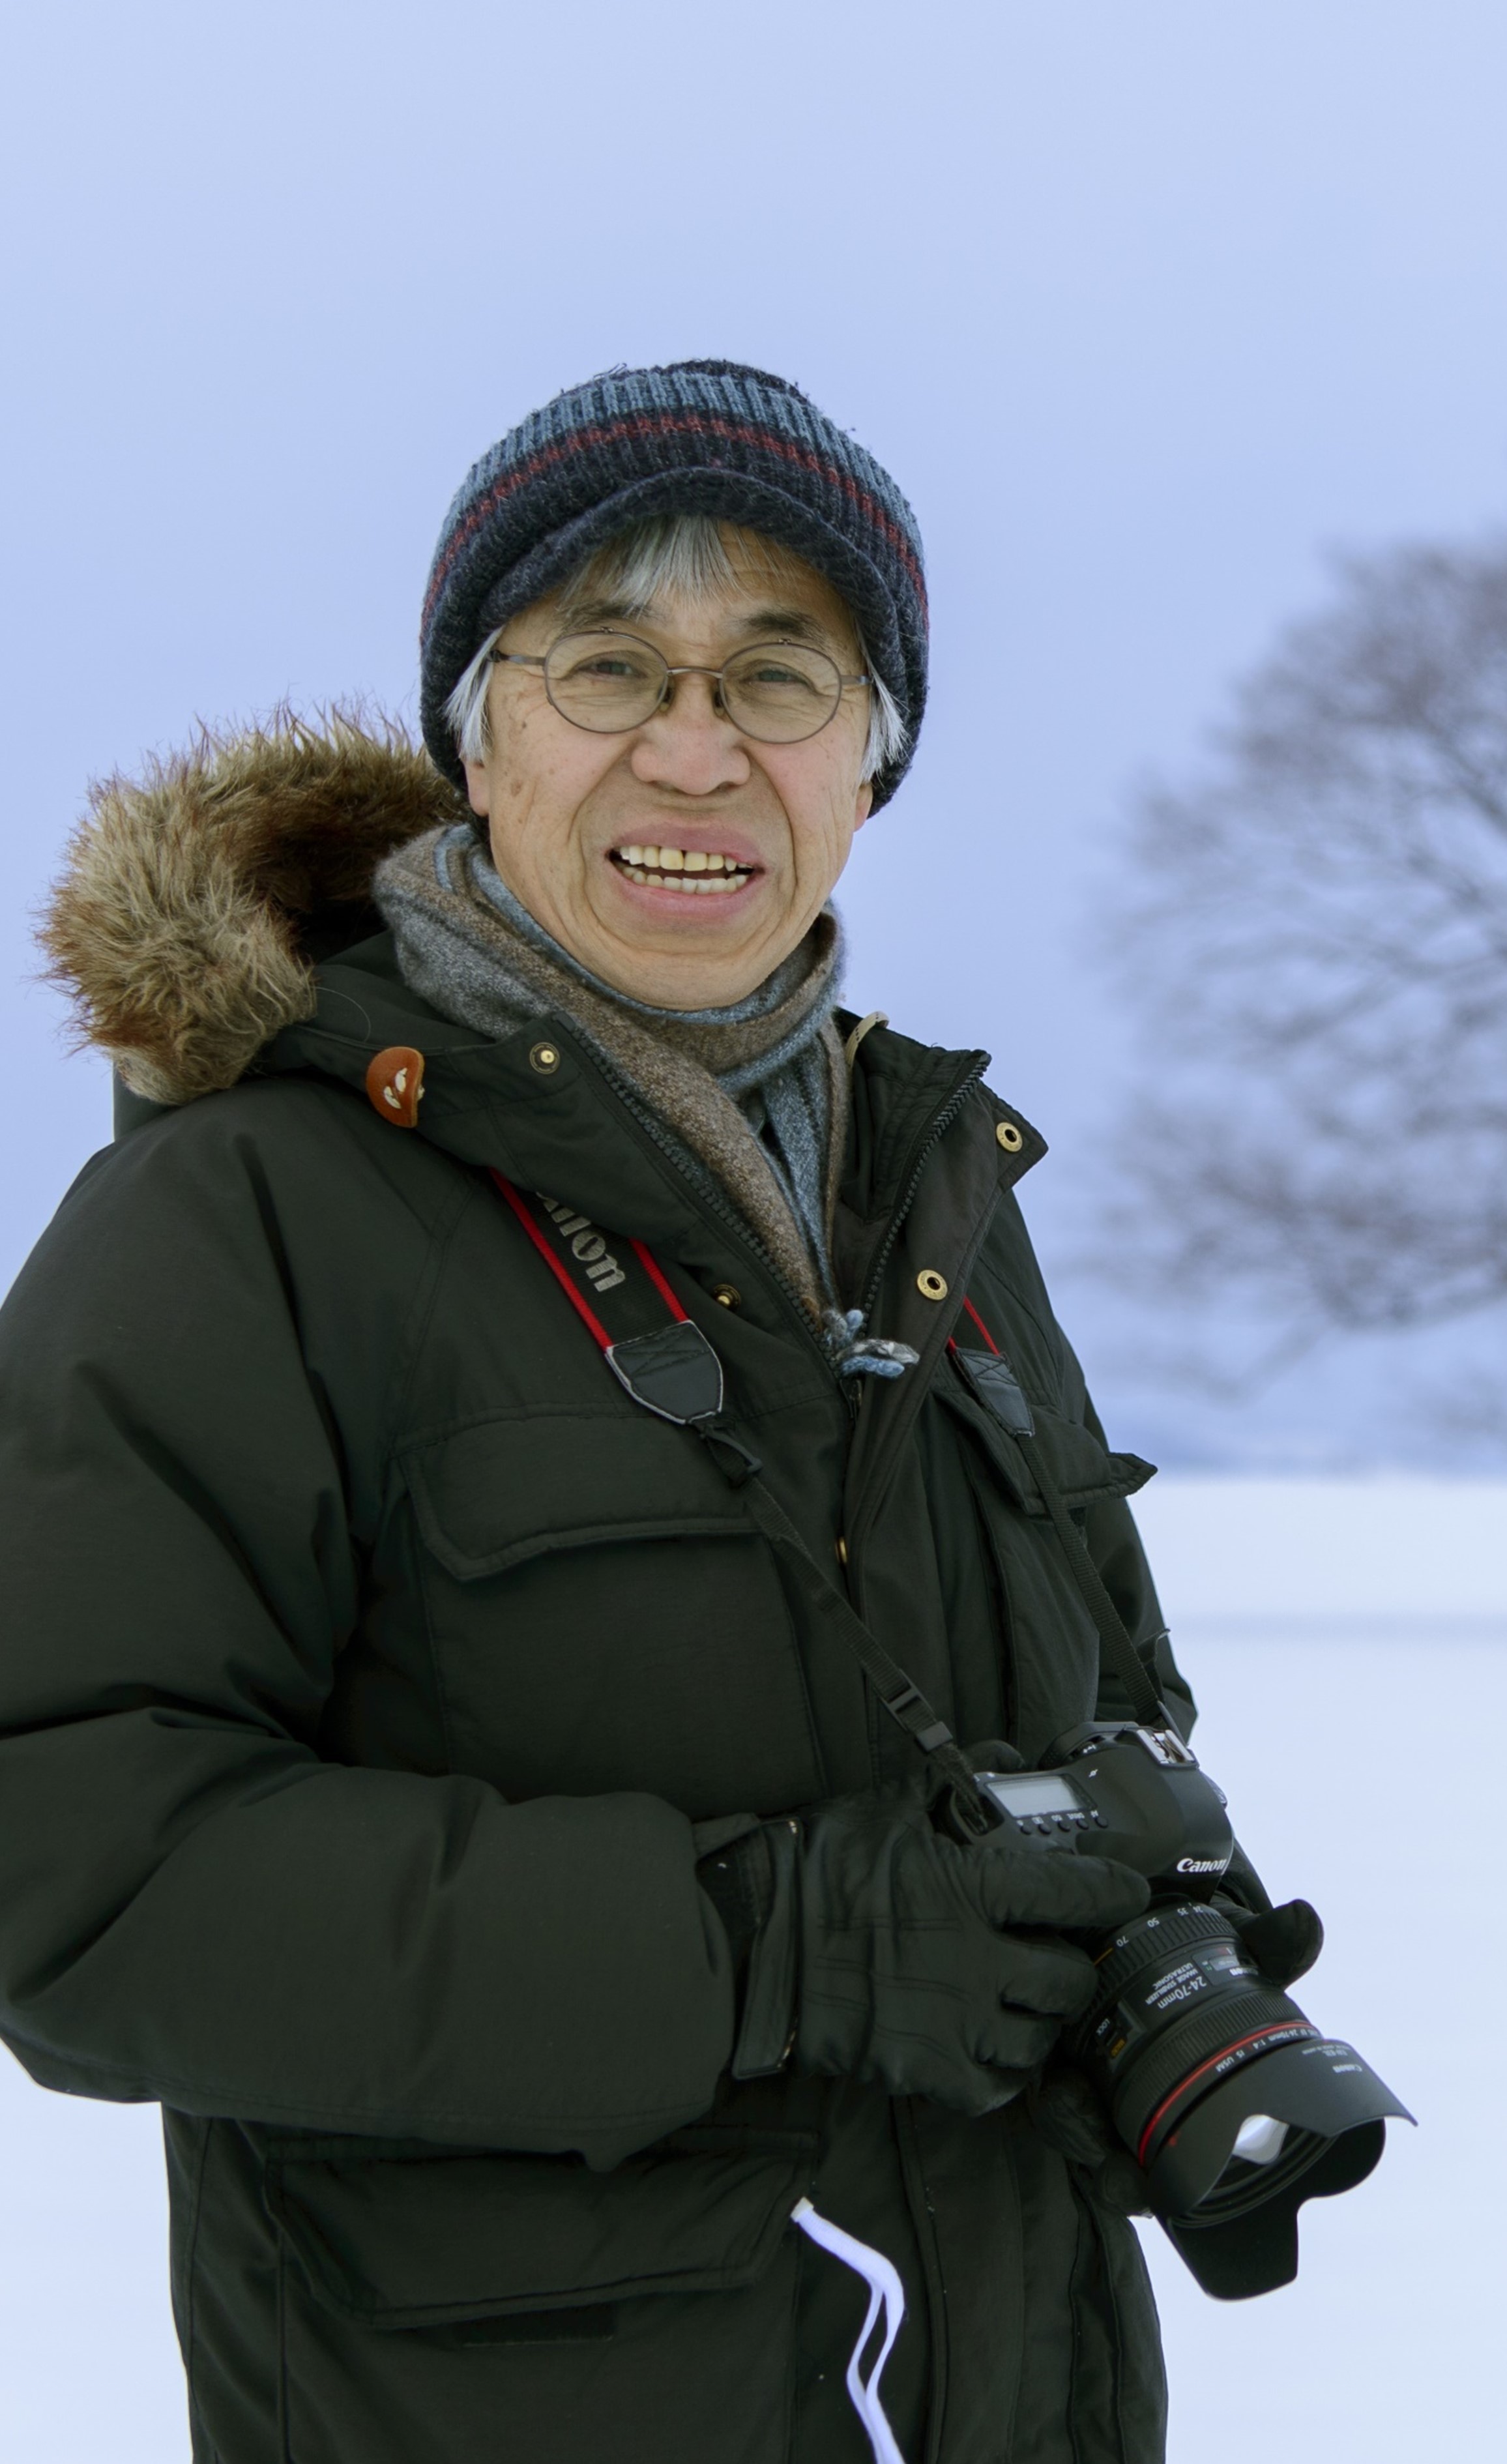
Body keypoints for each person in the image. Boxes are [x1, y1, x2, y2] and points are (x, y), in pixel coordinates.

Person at [0, 360, 1254, 2463]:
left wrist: (1139, 1928)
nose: (697, 749)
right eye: (607, 666)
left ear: (872, 761)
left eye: (783, 677)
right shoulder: (245, 1214)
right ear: (478, 740)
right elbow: (77, 1881)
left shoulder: (921, 1191)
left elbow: (1063, 1714)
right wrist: (779, 1949)